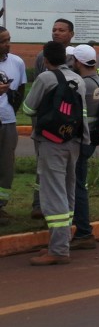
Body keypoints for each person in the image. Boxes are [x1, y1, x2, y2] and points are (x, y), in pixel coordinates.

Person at [22, 41, 86, 266]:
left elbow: (28, 108)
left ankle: (58, 250)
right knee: (68, 190)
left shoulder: (45, 78)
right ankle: (61, 242)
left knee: (53, 194)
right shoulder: (78, 79)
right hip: (74, 140)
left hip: (51, 143)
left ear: (45, 60)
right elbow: (83, 114)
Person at [31, 18, 75, 220]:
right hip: (46, 121)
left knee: (68, 167)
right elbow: (39, 88)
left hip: (70, 121)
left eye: (61, 30)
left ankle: (64, 207)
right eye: (54, 29)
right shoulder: (42, 56)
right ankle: (39, 204)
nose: (56, 33)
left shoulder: (76, 56)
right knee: (43, 163)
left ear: (71, 34)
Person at [71, 44, 99, 251]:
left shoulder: (83, 84)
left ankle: (83, 232)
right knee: (79, 184)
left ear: (79, 62)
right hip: (91, 139)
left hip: (81, 141)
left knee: (77, 186)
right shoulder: (98, 80)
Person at [0, 27, 26, 226]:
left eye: (8, 40)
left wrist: (11, 110)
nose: (7, 44)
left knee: (6, 167)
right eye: (2, 41)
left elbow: (21, 90)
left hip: (8, 123)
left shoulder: (17, 62)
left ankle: (1, 206)